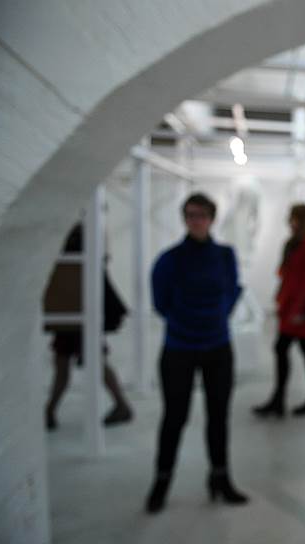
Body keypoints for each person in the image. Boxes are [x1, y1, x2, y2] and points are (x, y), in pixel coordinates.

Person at [146, 193, 248, 514]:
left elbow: (232, 291)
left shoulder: (225, 256)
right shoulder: (169, 259)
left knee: (218, 416)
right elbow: (160, 302)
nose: (196, 220)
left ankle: (220, 477)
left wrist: (214, 318)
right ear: (184, 219)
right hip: (179, 348)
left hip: (218, 347)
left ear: (212, 219)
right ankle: (161, 482)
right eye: (190, 215)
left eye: (202, 215)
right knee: (175, 417)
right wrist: (187, 321)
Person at [43, 224, 133, 430]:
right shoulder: (82, 242)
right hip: (72, 313)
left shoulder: (80, 243)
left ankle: (50, 410)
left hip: (76, 313)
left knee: (80, 365)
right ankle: (50, 410)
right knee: (76, 365)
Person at [253, 203, 305, 418]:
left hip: (300, 312)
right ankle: (290, 399)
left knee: (288, 349)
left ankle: (286, 399)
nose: (290, 221)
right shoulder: (296, 242)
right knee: (301, 351)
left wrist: (301, 311)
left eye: (294, 218)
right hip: (291, 308)